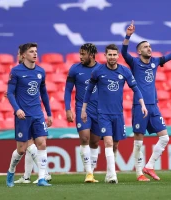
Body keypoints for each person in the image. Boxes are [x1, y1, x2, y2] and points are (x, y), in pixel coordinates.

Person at [121, 20, 171, 181]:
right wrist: (128, 36)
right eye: (145, 47)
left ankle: (149, 166)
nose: (149, 48)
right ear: (138, 51)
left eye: (150, 46)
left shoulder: (155, 61)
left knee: (165, 137)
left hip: (154, 106)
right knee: (138, 141)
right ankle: (139, 174)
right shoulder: (134, 62)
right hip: (139, 106)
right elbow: (123, 52)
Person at [81, 44, 148, 183]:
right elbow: (88, 91)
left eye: (114, 55)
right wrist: (83, 109)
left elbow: (136, 88)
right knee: (108, 142)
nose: (112, 57)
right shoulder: (98, 71)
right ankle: (113, 175)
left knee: (115, 145)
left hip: (118, 114)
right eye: (109, 55)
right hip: (103, 113)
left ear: (118, 56)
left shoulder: (125, 71)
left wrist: (142, 104)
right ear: (105, 56)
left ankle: (108, 173)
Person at [6, 43, 53, 187]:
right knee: (21, 149)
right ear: (24, 55)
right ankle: (11, 171)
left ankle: (42, 178)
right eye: (31, 51)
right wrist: (17, 109)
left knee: (42, 143)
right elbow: (9, 93)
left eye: (36, 51)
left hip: (37, 114)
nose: (35, 54)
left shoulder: (41, 71)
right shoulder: (16, 71)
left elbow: (44, 94)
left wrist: (49, 114)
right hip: (23, 115)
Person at [64, 43, 101, 183]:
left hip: (98, 109)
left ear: (91, 55)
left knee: (95, 141)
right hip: (82, 108)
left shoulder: (101, 69)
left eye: (83, 54)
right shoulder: (74, 69)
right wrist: (68, 109)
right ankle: (89, 173)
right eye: (80, 53)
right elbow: (67, 90)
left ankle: (92, 170)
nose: (80, 56)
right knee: (85, 138)